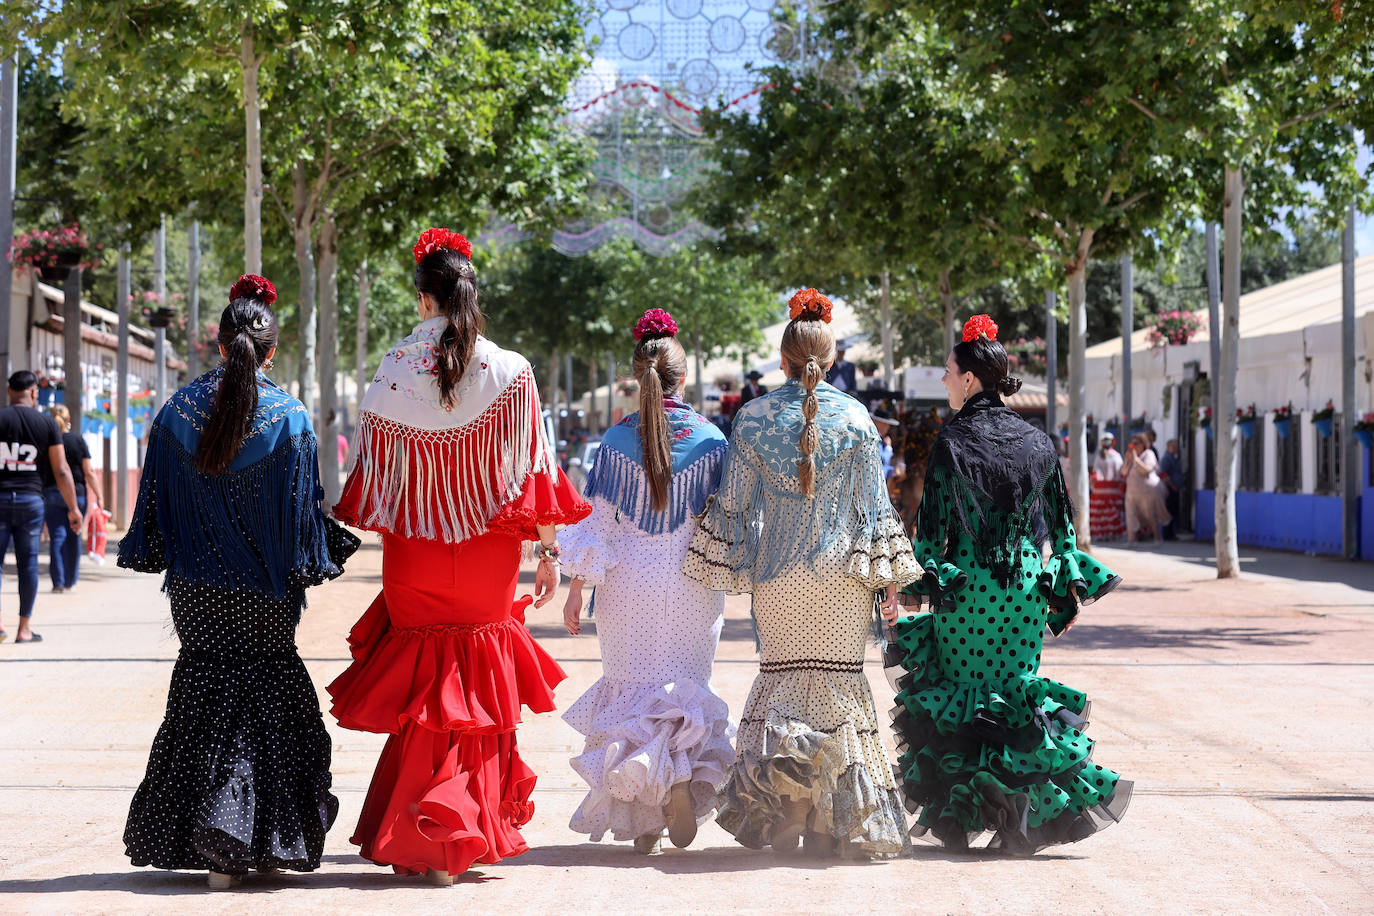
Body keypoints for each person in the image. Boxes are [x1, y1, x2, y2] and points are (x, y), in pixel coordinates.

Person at [328, 228, 589, 885]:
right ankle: (458, 830)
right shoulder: (512, 370)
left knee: (427, 688)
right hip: (488, 547)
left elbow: (371, 474)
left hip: (414, 547)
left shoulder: (392, 367)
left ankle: (421, 830)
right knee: (475, 680)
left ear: (424, 301)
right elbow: (536, 470)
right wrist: (548, 551)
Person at [118, 275, 359, 888]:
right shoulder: (291, 418)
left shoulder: (175, 413)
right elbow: (305, 522)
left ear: (218, 347)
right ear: (269, 351)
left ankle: (211, 837)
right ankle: (245, 839)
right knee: (267, 698)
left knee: (204, 695)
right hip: (266, 595)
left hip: (196, 591)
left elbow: (153, 512)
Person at [685, 287, 917, 860]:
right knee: (838, 692)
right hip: (844, 578)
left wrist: (700, 535)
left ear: (783, 360)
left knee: (785, 688)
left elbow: (734, 505)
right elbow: (876, 513)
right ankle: (830, 823)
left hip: (779, 577)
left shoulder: (753, 417)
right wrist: (890, 582)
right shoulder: (860, 420)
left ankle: (788, 811)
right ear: (830, 359)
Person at [888, 313, 1131, 855]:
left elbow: (931, 536)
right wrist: (1059, 594)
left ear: (971, 379)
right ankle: (1017, 822)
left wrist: (911, 582)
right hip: (1021, 589)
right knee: (1015, 698)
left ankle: (967, 815)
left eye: (950, 373)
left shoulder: (952, 442)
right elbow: (1064, 534)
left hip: (970, 589)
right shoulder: (1039, 441)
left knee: (965, 700)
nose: (946, 381)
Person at [558, 308, 735, 855]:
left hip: (627, 587)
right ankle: (677, 779)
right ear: (684, 377)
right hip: (690, 587)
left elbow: (596, 523)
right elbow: (724, 523)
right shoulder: (711, 441)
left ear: (639, 377)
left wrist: (576, 587)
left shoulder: (612, 442)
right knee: (681, 690)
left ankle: (646, 819)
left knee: (632, 695)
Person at [0, 370, 81, 644]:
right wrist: (73, 508)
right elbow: (61, 470)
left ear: (9, 391)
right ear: (34, 392)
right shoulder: (46, 423)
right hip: (31, 502)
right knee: (28, 564)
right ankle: (24, 629)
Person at [44, 404, 100, 592]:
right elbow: (89, 471)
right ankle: (70, 581)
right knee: (74, 536)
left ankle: (58, 582)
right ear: (68, 420)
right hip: (78, 495)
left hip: (51, 494)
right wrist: (99, 495)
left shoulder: (47, 441)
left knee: (57, 537)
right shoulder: (78, 440)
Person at [1124, 432, 1171, 543]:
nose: (1134, 446)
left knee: (1151, 514)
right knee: (1130, 515)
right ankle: (1131, 540)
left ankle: (1157, 538)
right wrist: (1127, 460)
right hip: (1132, 491)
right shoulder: (1131, 456)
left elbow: (1145, 470)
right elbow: (1124, 471)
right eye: (1132, 443)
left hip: (1148, 491)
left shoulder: (1148, 454)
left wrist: (1136, 459)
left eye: (1136, 443)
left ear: (1143, 443)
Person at [1089, 431, 1127, 541]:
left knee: (1100, 513)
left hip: (1099, 490)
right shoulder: (1117, 456)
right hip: (1113, 489)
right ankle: (1112, 534)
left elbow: (1095, 473)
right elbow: (1121, 473)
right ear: (1113, 443)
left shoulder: (1098, 456)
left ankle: (1101, 535)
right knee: (1112, 511)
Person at [1158, 438, 1185, 539]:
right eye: (1174, 446)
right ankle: (1167, 534)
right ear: (1169, 447)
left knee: (1174, 512)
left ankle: (1171, 534)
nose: (1177, 448)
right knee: (1169, 511)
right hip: (1170, 490)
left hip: (1175, 489)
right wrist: (1171, 485)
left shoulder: (1174, 458)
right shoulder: (1167, 459)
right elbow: (1162, 473)